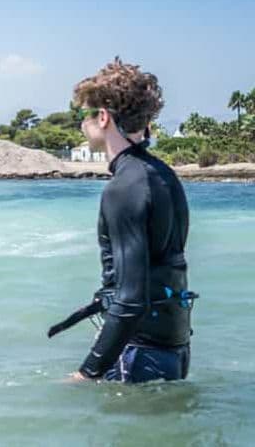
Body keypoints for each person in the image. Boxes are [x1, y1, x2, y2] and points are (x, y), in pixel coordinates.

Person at [67, 57, 196, 383]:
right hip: (174, 347)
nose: (82, 125)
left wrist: (87, 372)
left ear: (103, 117)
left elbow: (131, 299)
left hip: (139, 353)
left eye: (84, 115)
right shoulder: (163, 175)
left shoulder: (124, 187)